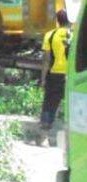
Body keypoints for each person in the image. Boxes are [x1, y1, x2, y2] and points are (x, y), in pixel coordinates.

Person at [38, 9, 71, 146]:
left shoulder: (50, 35)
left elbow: (46, 60)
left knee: (49, 106)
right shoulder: (74, 35)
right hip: (72, 76)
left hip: (55, 75)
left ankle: (44, 138)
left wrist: (43, 79)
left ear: (57, 20)